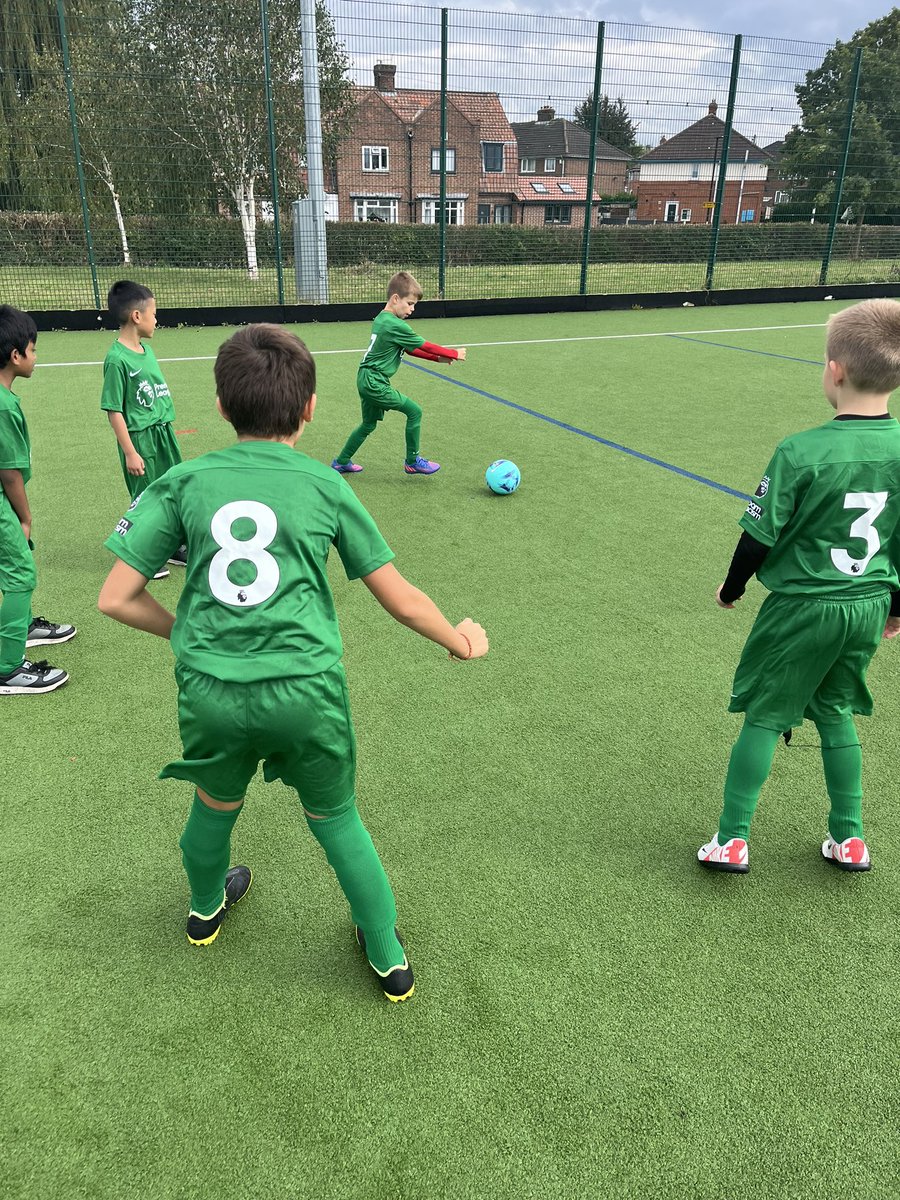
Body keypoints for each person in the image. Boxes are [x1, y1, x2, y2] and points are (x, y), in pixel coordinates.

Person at [98, 323, 488, 1002]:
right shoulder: (325, 486)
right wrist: (459, 639)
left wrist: (188, 634)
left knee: (214, 804)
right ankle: (388, 953)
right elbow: (398, 599)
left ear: (222, 407)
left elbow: (115, 597)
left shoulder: (185, 480)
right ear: (310, 409)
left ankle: (203, 909)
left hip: (213, 693)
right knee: (336, 819)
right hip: (304, 693)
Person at [699, 298, 900, 875]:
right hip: (867, 605)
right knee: (835, 711)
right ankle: (850, 838)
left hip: (803, 607)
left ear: (835, 369)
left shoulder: (801, 450)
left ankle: (732, 840)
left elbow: (757, 538)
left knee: (765, 714)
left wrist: (733, 588)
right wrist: (895, 609)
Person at [0, 305, 76, 695]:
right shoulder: (3, 404)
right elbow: (9, 472)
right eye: (33, 348)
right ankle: (6, 669)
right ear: (16, 355)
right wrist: (24, 517)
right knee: (20, 573)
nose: (36, 355)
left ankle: (23, 627)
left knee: (12, 569)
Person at [332, 270, 466, 476]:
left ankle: (341, 461)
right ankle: (412, 461)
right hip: (374, 381)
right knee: (415, 411)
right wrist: (453, 353)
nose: (412, 309)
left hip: (366, 378)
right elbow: (425, 345)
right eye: (410, 303)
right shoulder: (395, 324)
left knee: (368, 424)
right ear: (395, 299)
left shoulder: (383, 319)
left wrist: (439, 359)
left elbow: (412, 349)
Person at [100, 280, 185, 579]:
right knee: (146, 497)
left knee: (173, 489)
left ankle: (172, 547)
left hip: (163, 434)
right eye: (154, 313)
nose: (156, 319)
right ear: (137, 316)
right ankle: (142, 553)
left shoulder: (145, 350)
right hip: (142, 439)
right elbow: (114, 410)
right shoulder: (117, 359)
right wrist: (131, 452)